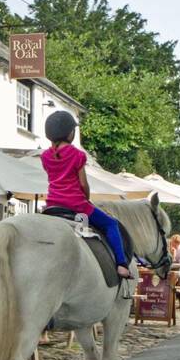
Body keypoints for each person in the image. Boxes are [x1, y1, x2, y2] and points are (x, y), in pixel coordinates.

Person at [40, 111, 131, 279]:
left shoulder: (45, 156)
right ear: (70, 133)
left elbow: (54, 177)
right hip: (76, 205)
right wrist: (86, 199)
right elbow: (83, 184)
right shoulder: (77, 154)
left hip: (52, 205)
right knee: (111, 224)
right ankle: (121, 264)